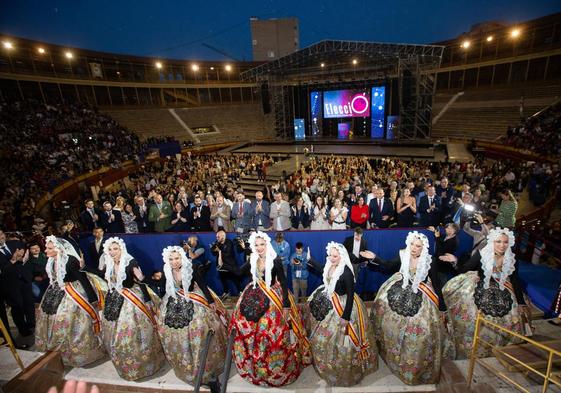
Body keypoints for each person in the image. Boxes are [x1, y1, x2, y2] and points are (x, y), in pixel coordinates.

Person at [230, 231, 311, 386]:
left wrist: (286, 305)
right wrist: (224, 262)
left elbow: (284, 281)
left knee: (272, 329)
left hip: (274, 295)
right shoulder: (252, 258)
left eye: (262, 244)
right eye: (256, 245)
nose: (259, 248)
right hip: (254, 293)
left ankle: (274, 365)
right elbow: (239, 272)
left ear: (267, 244)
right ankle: (252, 360)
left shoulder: (276, 260)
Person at [369, 231, 448, 385]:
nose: (414, 248)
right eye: (412, 244)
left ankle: (413, 363)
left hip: (422, 295)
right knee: (384, 313)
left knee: (421, 328)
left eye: (418, 246)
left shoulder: (429, 261)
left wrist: (442, 308)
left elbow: (437, 285)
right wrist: (374, 258)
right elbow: (387, 266)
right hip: (400, 289)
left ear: (423, 248)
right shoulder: (402, 254)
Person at [441, 228, 530, 358]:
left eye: (505, 242)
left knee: (512, 317)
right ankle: (474, 349)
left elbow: (515, 280)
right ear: (492, 242)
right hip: (480, 288)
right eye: (498, 241)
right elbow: (465, 269)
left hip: (503, 290)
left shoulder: (511, 258)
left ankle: (501, 350)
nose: (502, 245)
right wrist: (455, 260)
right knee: (472, 317)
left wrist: (521, 303)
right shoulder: (482, 253)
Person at [306, 242, 377, 386]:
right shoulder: (329, 265)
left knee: (341, 339)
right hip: (328, 300)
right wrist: (310, 260)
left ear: (342, 256)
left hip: (343, 305)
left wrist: (345, 316)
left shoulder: (346, 272)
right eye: (330, 255)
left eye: (335, 256)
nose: (331, 258)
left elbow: (350, 296)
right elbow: (322, 270)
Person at [157, 246, 228, 386]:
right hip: (174, 301)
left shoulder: (191, 267)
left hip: (194, 300)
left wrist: (211, 301)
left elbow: (202, 284)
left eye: (176, 258)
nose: (174, 262)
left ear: (182, 258)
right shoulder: (167, 270)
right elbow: (163, 287)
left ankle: (204, 365)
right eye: (171, 259)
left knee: (200, 329)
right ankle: (184, 364)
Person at [35, 236, 107, 367]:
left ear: (58, 249)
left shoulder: (71, 261)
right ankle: (56, 352)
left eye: (49, 248)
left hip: (73, 292)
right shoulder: (50, 260)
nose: (46, 250)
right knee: (49, 318)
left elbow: (83, 278)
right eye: (47, 248)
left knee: (67, 319)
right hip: (55, 291)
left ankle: (76, 352)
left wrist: (92, 299)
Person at [100, 237, 165, 380]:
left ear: (121, 249)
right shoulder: (108, 263)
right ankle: (124, 365)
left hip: (132, 300)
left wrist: (148, 299)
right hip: (114, 299)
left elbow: (141, 281)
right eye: (110, 249)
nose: (112, 252)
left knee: (132, 332)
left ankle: (144, 364)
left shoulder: (131, 263)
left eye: (115, 249)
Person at [0, 230, 35, 348]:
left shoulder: (13, 243)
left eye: (1, 234)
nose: (1, 237)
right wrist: (13, 260)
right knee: (17, 307)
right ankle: (23, 330)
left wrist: (22, 257)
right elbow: (3, 272)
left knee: (29, 303)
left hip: (24, 279)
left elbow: (24, 250)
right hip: (9, 285)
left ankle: (32, 325)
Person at [211, 228, 243, 297]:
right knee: (223, 278)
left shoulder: (229, 242)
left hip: (230, 265)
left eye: (218, 237)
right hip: (221, 266)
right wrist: (213, 249)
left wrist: (219, 251)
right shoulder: (217, 243)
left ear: (223, 236)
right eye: (216, 237)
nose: (217, 238)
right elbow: (213, 253)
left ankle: (240, 291)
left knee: (235, 278)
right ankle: (226, 292)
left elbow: (227, 254)